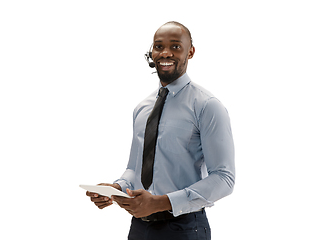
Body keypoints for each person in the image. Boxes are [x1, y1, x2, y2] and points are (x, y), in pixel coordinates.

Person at [86, 21, 235, 240]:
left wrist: (161, 202)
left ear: (190, 52)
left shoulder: (207, 105)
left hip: (184, 228)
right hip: (139, 228)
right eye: (158, 46)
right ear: (151, 53)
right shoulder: (142, 108)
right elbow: (134, 169)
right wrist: (116, 189)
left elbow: (224, 178)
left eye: (175, 46)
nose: (166, 53)